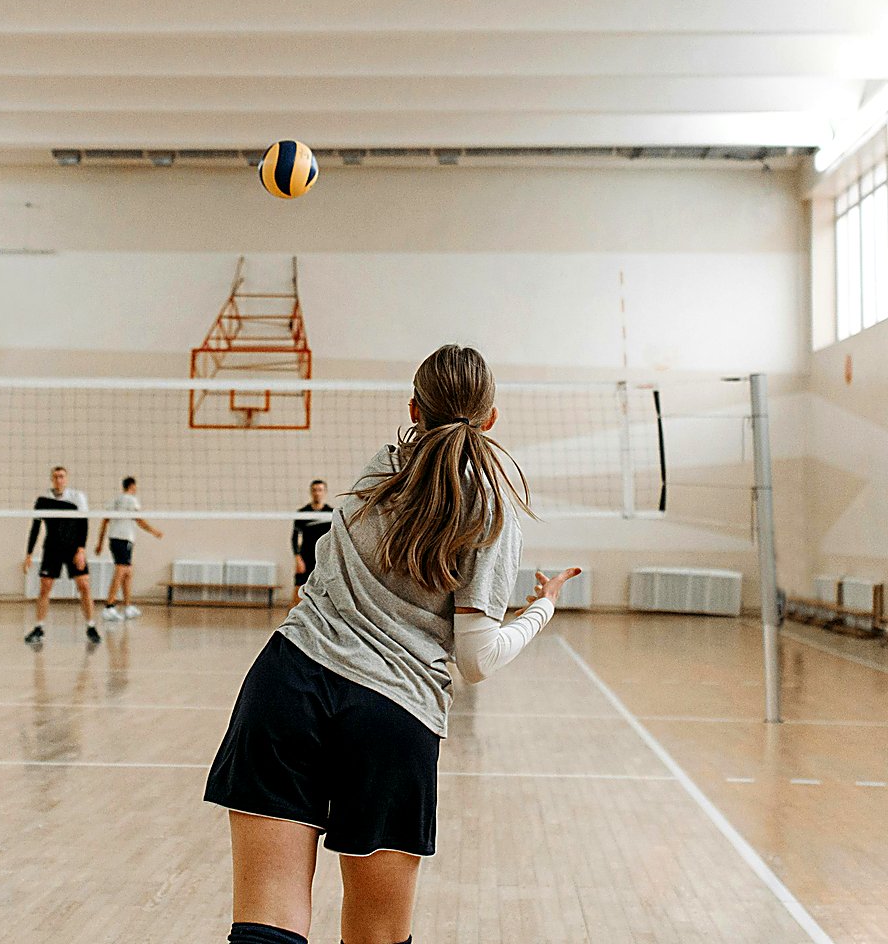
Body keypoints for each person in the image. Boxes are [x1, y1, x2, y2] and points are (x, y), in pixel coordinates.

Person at [204, 344, 581, 944]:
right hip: (392, 708)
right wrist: (543, 608)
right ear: (490, 419)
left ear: (412, 410)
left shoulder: (377, 471)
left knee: (266, 921)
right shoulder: (490, 509)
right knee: (376, 937)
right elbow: (478, 659)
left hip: (286, 682)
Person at [22, 466, 101, 646]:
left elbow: (84, 525)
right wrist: (28, 553)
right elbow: (35, 528)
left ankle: (91, 627)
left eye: (62, 477)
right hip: (52, 549)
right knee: (45, 587)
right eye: (56, 477)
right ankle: (39, 628)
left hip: (73, 548)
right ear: (51, 479)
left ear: (67, 479)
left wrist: (81, 550)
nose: (59, 480)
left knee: (84, 586)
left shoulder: (77, 498)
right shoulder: (43, 500)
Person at [95, 476, 164, 622]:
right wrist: (154, 531)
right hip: (123, 539)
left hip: (115, 540)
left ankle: (127, 607)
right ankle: (109, 606)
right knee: (121, 570)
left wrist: (100, 543)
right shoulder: (131, 500)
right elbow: (138, 519)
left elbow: (104, 521)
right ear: (132, 487)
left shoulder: (114, 500)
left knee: (128, 572)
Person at [290, 479, 332, 607]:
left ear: (324, 492)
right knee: (298, 591)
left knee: (325, 592)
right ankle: (292, 621)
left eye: (320, 490)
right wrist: (298, 558)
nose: (317, 493)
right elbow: (294, 538)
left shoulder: (331, 513)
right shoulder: (303, 513)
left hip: (324, 558)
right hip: (305, 557)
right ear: (310, 492)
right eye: (314, 490)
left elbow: (335, 538)